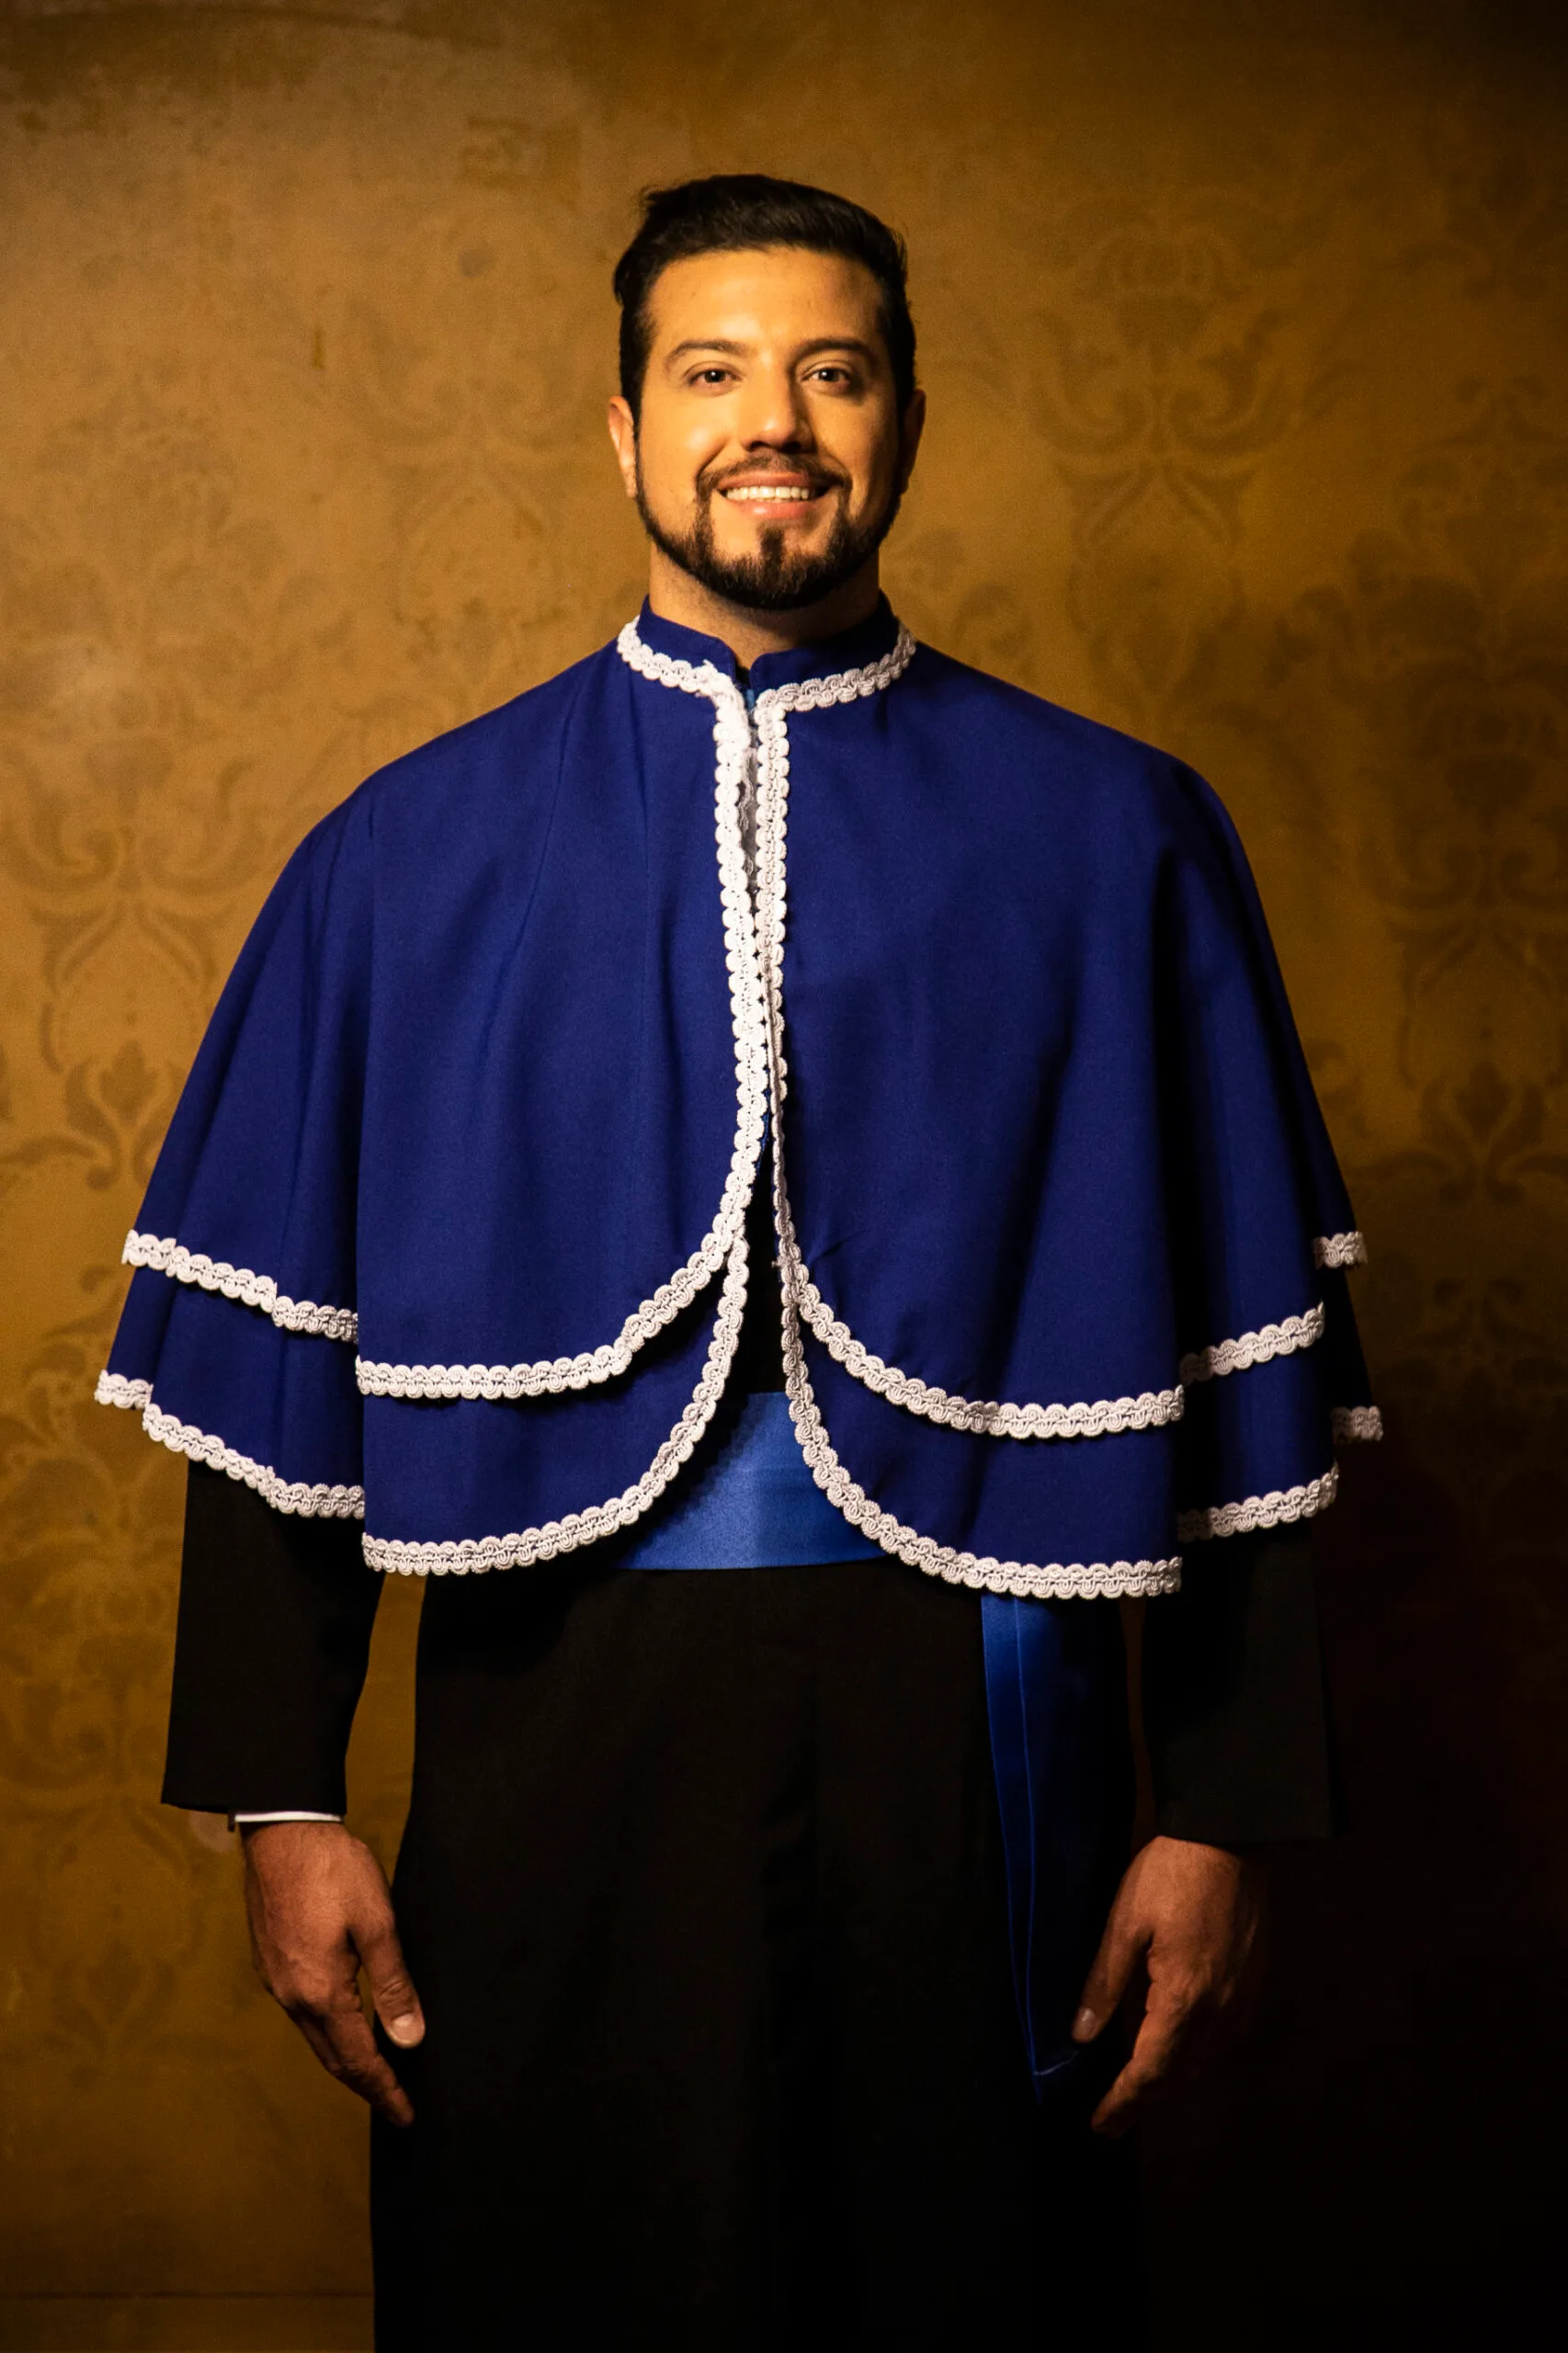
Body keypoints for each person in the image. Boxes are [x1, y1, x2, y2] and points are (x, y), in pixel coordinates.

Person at [99, 176, 1377, 2348]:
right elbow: (277, 1395)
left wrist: (1228, 1803)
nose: (770, 420)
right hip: (551, 1731)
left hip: (979, 1734)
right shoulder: (403, 850)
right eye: (712, 371)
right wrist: (282, 1795)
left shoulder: (1118, 832)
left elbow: (1239, 1380)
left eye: (830, 371)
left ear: (902, 423)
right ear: (624, 429)